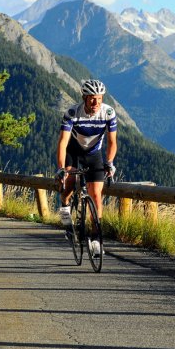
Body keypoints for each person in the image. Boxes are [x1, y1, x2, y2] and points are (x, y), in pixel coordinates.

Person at [55, 79, 117, 254]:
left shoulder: (108, 113)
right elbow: (62, 142)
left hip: (93, 154)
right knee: (69, 182)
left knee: (96, 195)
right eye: (91, 98)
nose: (96, 102)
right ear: (83, 97)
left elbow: (112, 142)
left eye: (99, 98)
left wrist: (109, 163)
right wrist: (61, 168)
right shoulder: (72, 113)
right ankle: (65, 207)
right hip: (72, 151)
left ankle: (96, 238)